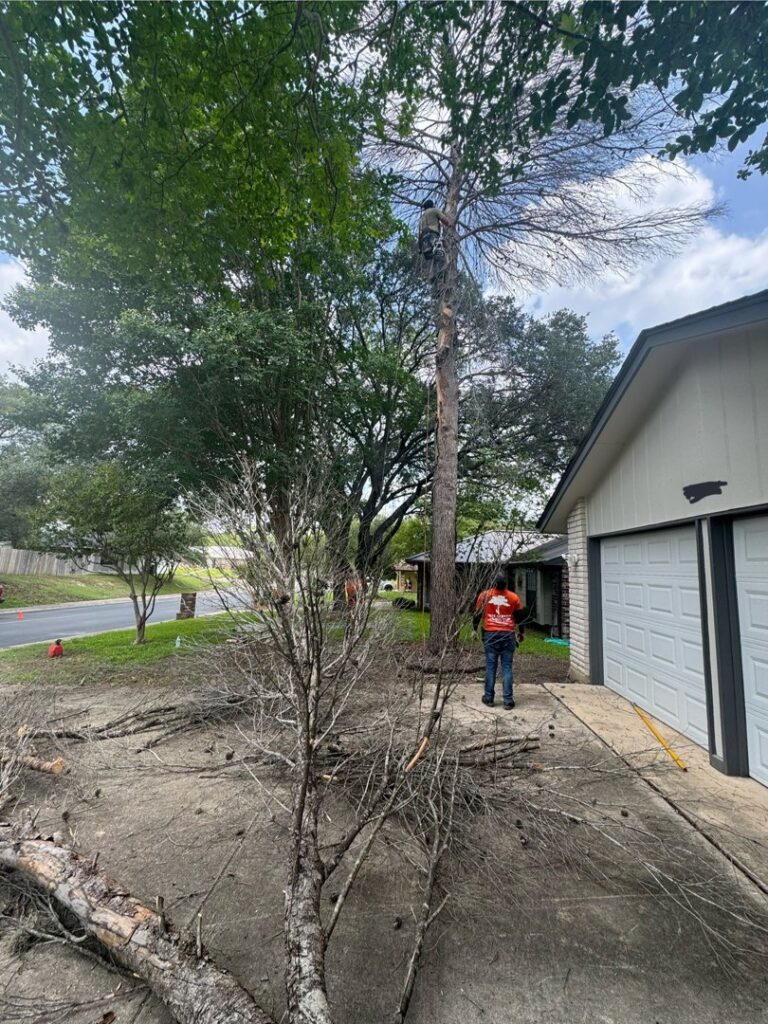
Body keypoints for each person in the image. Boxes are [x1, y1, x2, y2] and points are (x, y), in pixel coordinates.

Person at [474, 574, 524, 709]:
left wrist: (474, 629)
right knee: (506, 667)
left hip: (490, 634)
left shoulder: (484, 595)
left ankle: (489, 698)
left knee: (491, 666)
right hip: (508, 635)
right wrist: (521, 633)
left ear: (493, 583)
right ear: (505, 584)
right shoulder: (514, 597)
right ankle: (508, 700)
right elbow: (520, 618)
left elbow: (477, 615)